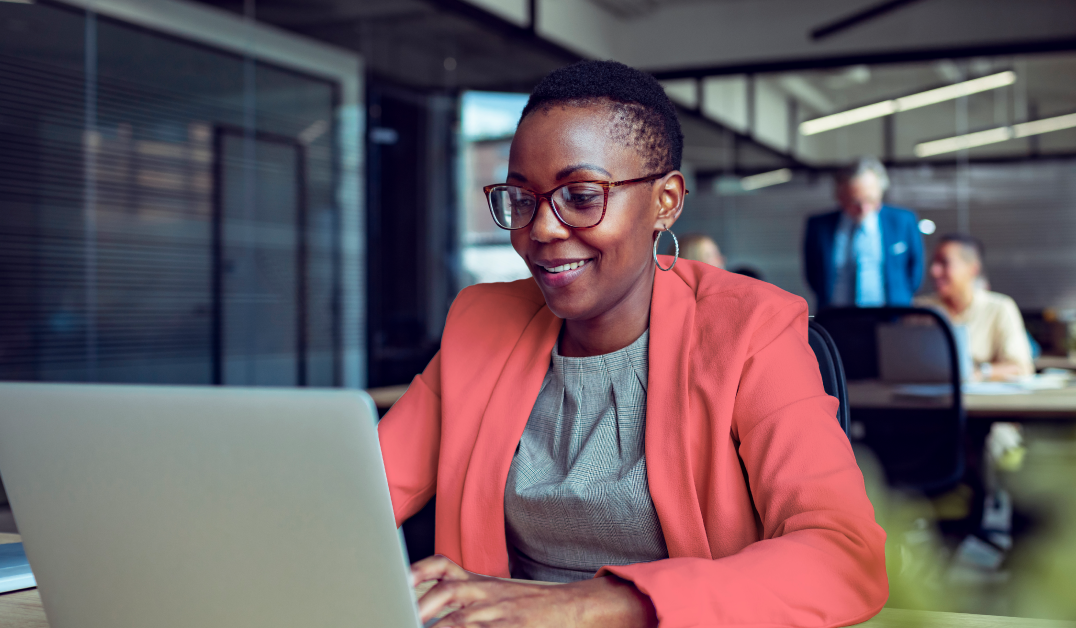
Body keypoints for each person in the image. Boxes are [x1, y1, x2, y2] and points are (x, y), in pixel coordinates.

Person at [377, 60, 887, 628]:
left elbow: (845, 557)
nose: (541, 229)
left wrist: (582, 606)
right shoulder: (482, 323)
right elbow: (356, 496)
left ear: (666, 200)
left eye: (581, 194)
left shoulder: (749, 330)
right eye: (522, 199)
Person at [803, 157, 924, 310]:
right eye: (855, 202)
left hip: (891, 318)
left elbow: (914, 272)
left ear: (880, 193)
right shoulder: (819, 226)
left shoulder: (903, 221)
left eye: (870, 200)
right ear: (840, 196)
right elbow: (813, 275)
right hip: (836, 318)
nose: (863, 208)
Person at [914, 234, 1034, 381]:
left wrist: (979, 372)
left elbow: (1021, 367)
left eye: (944, 263)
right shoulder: (921, 309)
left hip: (982, 401)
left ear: (973, 269)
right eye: (934, 263)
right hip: (927, 400)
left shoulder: (999, 308)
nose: (934, 271)